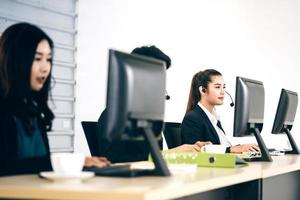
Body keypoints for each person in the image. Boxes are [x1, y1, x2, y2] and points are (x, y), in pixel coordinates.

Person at [0, 22, 110, 176]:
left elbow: (38, 167)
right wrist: (71, 162)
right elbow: (6, 167)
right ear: (15, 60)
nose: (45, 67)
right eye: (38, 59)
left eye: (48, 59)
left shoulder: (32, 109)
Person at [97, 46, 210, 163]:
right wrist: (172, 153)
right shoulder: (113, 116)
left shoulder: (149, 117)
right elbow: (113, 161)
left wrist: (190, 149)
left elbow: (151, 157)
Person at [181, 69, 259, 153]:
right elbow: (194, 151)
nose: (223, 92)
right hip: (208, 166)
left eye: (224, 87)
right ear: (203, 90)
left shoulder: (213, 118)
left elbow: (222, 146)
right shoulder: (192, 118)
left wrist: (243, 148)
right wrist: (231, 149)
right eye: (217, 87)